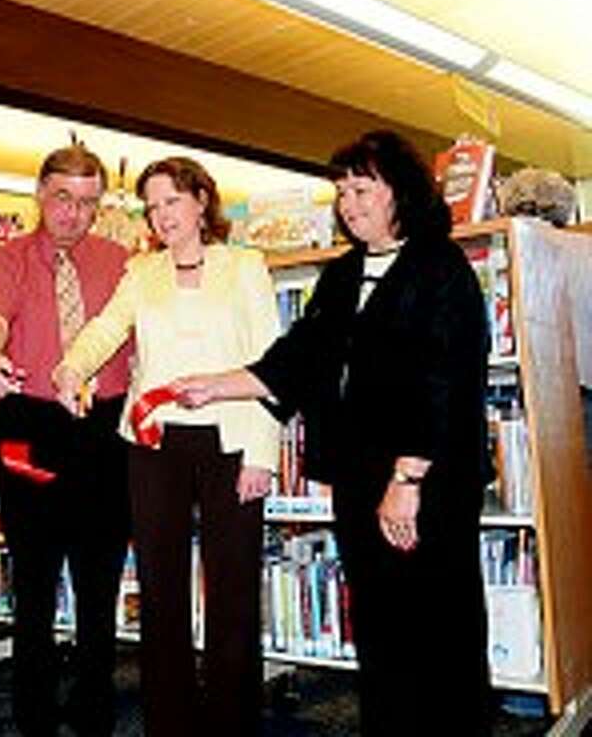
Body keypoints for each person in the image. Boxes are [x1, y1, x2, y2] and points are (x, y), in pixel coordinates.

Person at [176, 130, 493, 735]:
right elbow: (301, 355)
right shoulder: (345, 272)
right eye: (342, 191)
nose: (349, 204)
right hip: (359, 474)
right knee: (377, 622)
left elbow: (447, 377)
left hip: (425, 479)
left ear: (398, 190)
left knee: (436, 622)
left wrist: (408, 475)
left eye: (362, 188)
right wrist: (220, 384)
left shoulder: (439, 265)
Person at [53, 156, 280, 735]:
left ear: (202, 201)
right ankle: (169, 721)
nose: (162, 217)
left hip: (231, 440)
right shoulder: (142, 271)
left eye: (171, 202)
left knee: (232, 591)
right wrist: (71, 368)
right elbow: (106, 327)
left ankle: (232, 721)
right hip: (152, 443)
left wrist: (261, 453)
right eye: (152, 208)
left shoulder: (247, 266)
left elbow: (270, 362)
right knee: (160, 588)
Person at [0, 145, 131, 737]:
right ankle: (32, 717)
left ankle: (94, 715)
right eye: (63, 198)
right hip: (29, 427)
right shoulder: (9, 259)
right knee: (34, 581)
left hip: (102, 429)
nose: (74, 214)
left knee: (99, 581)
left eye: (89, 203)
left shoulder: (121, 261)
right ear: (40, 193)